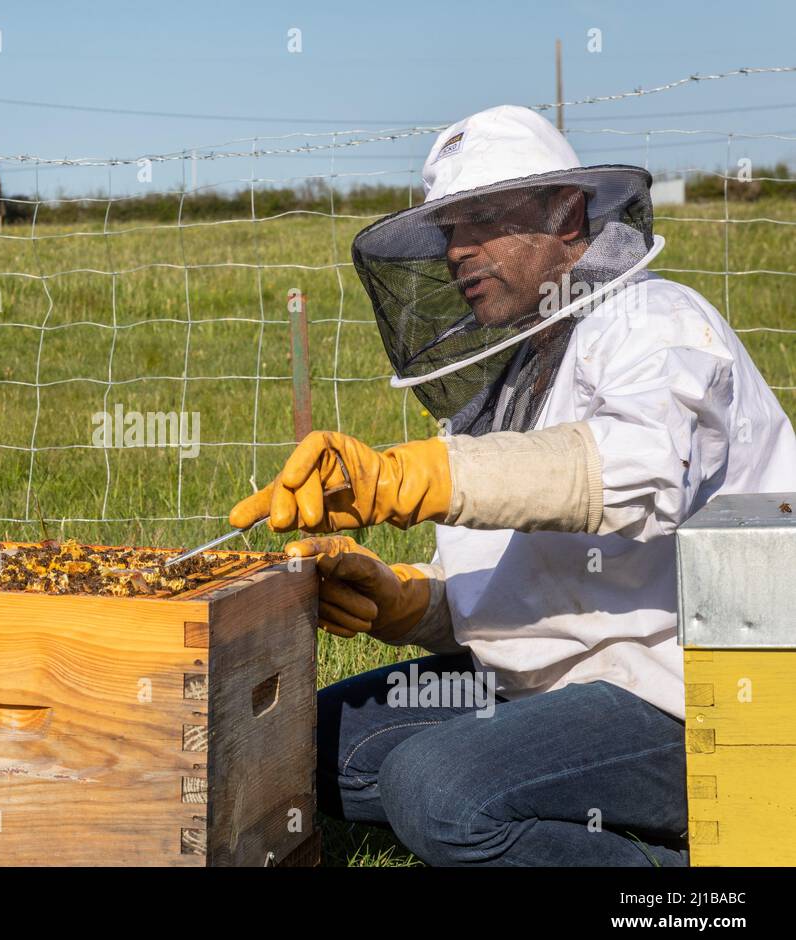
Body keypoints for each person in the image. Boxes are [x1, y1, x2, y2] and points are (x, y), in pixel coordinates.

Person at [228, 104, 796, 866]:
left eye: (482, 221)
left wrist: (410, 476)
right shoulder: (515, 372)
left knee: (437, 791)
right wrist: (413, 602)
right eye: (449, 233)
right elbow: (522, 578)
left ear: (567, 215)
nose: (460, 251)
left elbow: (634, 474)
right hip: (551, 690)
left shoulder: (655, 321)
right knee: (299, 740)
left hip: (692, 697)